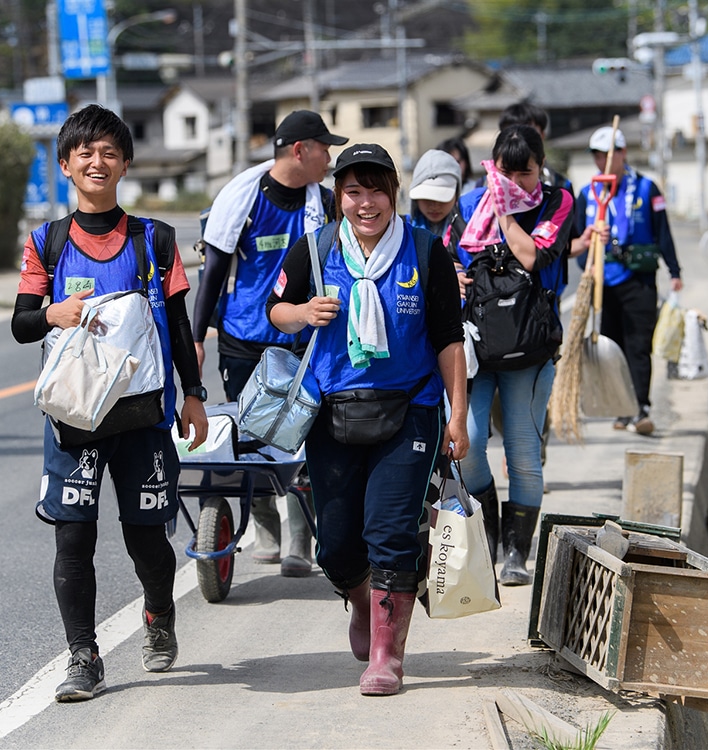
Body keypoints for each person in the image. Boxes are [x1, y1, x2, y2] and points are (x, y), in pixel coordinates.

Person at [10, 104, 209, 702]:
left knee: (147, 538)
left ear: (125, 163)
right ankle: (83, 657)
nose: (97, 162)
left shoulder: (156, 239)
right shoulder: (46, 242)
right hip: (73, 421)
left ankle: (158, 615)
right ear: (67, 165)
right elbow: (21, 325)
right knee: (72, 537)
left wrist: (194, 396)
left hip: (144, 418)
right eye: (85, 153)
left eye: (109, 152)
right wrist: (52, 313)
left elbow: (177, 325)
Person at [267, 143, 468, 696]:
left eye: (375, 190)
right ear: (338, 196)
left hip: (411, 410)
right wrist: (304, 313)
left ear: (393, 193)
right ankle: (359, 602)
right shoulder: (315, 248)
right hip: (331, 412)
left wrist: (459, 417)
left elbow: (450, 340)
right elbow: (275, 308)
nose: (365, 203)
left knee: (391, 531)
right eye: (352, 191)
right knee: (335, 545)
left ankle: (386, 654)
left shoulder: (425, 253)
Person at [192, 110, 348, 574]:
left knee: (304, 437)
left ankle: (301, 537)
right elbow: (213, 275)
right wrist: (197, 339)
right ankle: (266, 527)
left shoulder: (323, 200)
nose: (329, 156)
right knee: (252, 438)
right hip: (243, 338)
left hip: (302, 336)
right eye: (324, 148)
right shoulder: (242, 199)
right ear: (299, 150)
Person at [452, 125, 575, 585]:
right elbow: (451, 258)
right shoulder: (467, 205)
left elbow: (533, 258)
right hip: (477, 346)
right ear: (493, 168)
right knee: (470, 444)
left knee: (523, 448)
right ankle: (490, 534)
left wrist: (505, 217)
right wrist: (453, 273)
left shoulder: (557, 201)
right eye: (506, 172)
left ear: (540, 168)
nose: (516, 183)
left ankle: (516, 553)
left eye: (525, 173)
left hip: (531, 345)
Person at [571, 126, 683, 435]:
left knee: (637, 344)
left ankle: (641, 407)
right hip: (603, 283)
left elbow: (663, 232)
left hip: (639, 278)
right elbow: (579, 240)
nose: (602, 160)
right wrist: (587, 265)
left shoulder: (647, 189)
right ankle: (620, 408)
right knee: (611, 343)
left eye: (607, 153)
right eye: (596, 154)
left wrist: (674, 271)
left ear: (622, 153)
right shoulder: (587, 193)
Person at [406, 148, 463, 252]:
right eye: (427, 198)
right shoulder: (401, 231)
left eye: (442, 198)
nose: (435, 206)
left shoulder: (472, 229)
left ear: (456, 193)